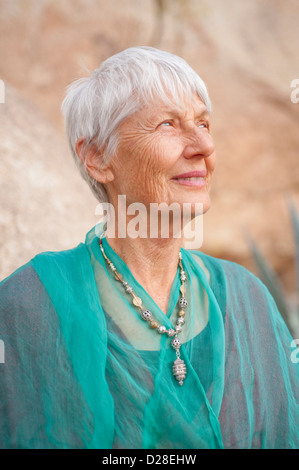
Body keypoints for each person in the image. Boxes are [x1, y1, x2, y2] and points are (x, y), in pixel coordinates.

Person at [0, 46, 299, 450]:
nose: (203, 147)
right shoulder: (29, 306)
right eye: (167, 125)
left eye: (204, 124)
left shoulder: (250, 301)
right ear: (98, 158)